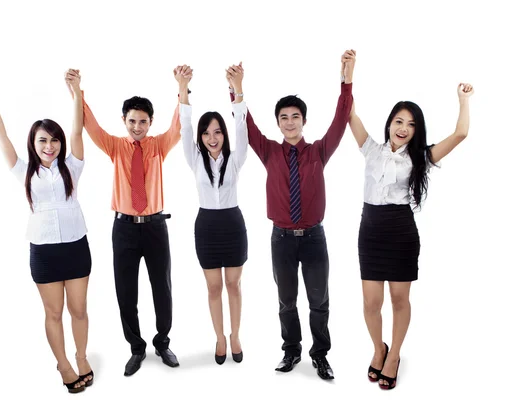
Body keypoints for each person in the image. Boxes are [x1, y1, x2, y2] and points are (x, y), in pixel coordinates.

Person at [227, 50, 355, 380]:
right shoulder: (269, 150)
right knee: (286, 301)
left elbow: (341, 121)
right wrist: (237, 89)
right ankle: (291, 351)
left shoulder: (318, 151)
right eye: (283, 117)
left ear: (304, 120)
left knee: (319, 302)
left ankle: (321, 355)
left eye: (295, 116)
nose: (289, 121)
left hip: (313, 238)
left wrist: (346, 81)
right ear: (279, 122)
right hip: (281, 239)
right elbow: (247, 125)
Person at [348, 58, 474, 389]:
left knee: (400, 300)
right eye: (399, 121)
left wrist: (463, 99)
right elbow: (350, 113)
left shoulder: (420, 157)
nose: (404, 127)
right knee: (370, 303)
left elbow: (461, 133)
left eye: (412, 124)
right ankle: (379, 348)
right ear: (389, 123)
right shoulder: (370, 149)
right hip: (370, 231)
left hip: (401, 233)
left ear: (417, 131)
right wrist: (347, 75)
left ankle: (394, 354)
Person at [0, 70, 94, 393]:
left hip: (75, 247)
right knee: (53, 312)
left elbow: (77, 130)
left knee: (79, 310)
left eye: (54, 140)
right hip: (44, 252)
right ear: (34, 143)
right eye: (43, 140)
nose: (50, 145)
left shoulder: (73, 166)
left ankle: (81, 357)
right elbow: (2, 138)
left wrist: (76, 91)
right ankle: (64, 364)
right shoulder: (23, 171)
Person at [64, 68, 181, 376]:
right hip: (125, 229)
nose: (138, 126)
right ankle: (136, 347)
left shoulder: (158, 145)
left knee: (163, 289)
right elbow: (89, 125)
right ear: (124, 121)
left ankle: (162, 342)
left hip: (156, 227)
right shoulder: (115, 146)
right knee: (125, 291)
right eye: (132, 121)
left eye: (143, 121)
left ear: (150, 122)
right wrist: (78, 92)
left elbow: (178, 127)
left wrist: (183, 87)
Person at [176, 64, 248, 364]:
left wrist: (237, 88)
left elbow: (241, 124)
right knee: (214, 286)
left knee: (233, 284)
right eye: (207, 133)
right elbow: (185, 126)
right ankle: (219, 337)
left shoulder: (235, 158)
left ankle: (235, 335)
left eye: (218, 131)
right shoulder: (194, 159)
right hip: (206, 226)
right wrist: (183, 88)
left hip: (232, 224)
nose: (212, 137)